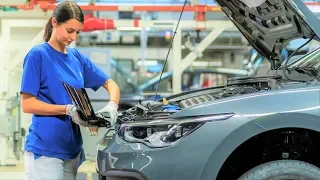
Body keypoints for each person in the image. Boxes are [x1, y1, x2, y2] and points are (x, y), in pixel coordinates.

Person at [20, 1, 120, 179]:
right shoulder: (38, 55)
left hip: (71, 150)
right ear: (54, 23)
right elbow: (27, 104)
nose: (73, 37)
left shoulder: (76, 58)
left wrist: (112, 105)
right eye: (69, 31)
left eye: (77, 32)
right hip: (45, 151)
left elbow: (110, 84)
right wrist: (67, 109)